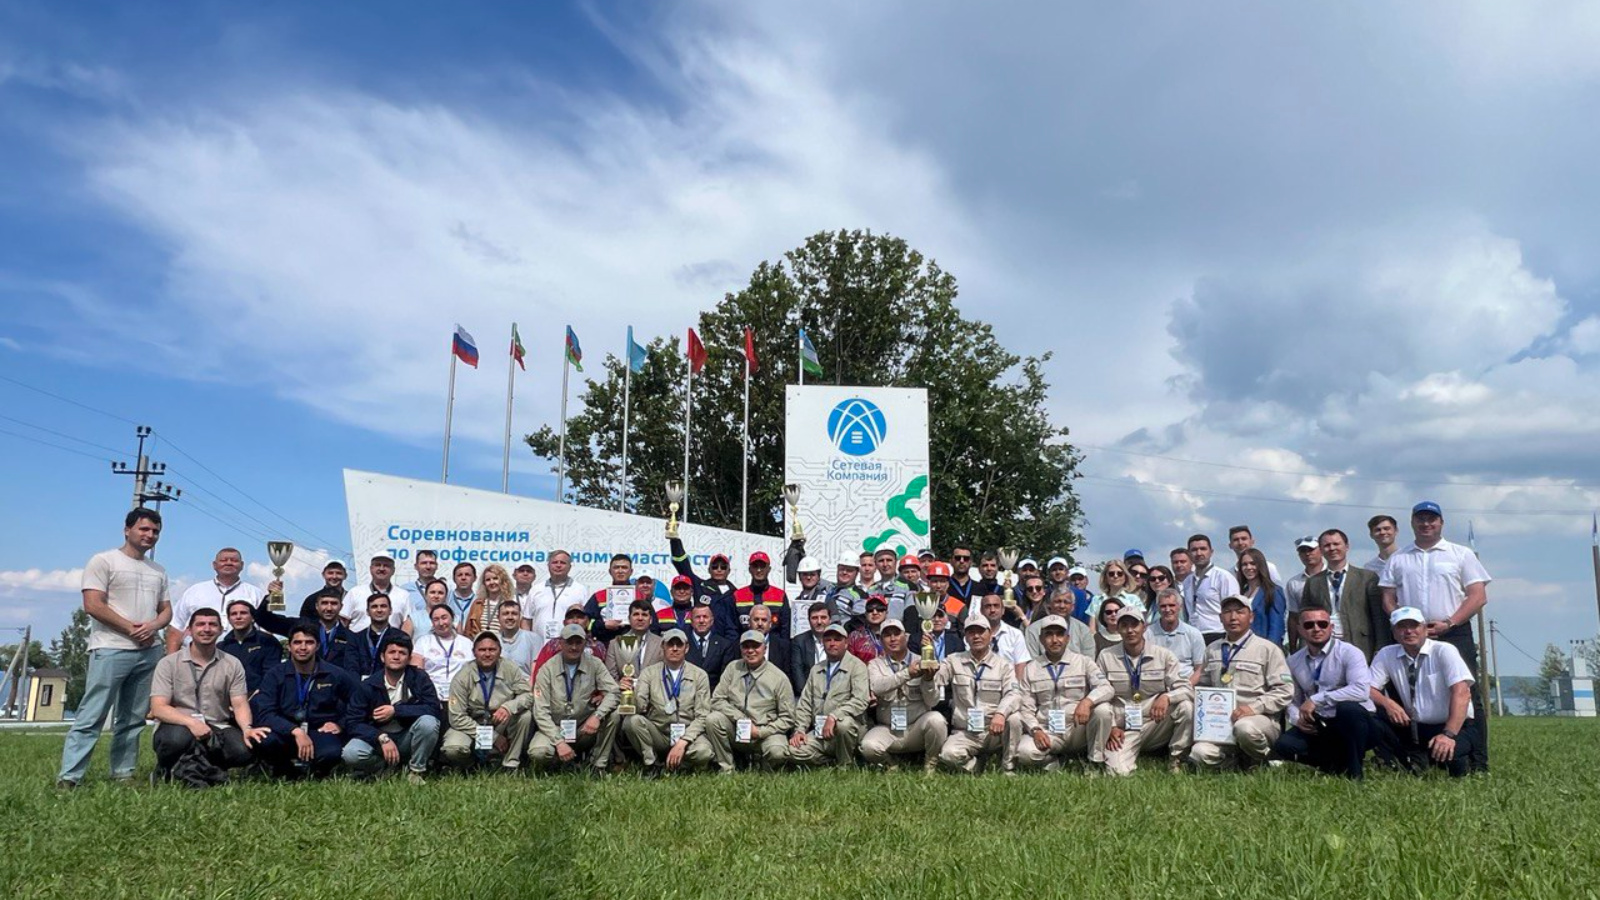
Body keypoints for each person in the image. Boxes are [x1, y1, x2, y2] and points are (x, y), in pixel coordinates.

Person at [58, 508, 172, 788]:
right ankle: (70, 777)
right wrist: (132, 629)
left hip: (148, 651)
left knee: (133, 719)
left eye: (155, 531)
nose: (150, 535)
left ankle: (123, 773)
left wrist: (154, 627)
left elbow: (166, 610)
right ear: (127, 530)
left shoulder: (157, 570)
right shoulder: (103, 560)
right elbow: (93, 604)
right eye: (144, 529)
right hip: (111, 648)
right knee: (92, 714)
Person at [1378, 501, 1491, 772]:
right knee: (1406, 695)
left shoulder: (1460, 554)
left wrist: (1450, 622)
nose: (1426, 524)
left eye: (1432, 519)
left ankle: (1478, 761)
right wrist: (1402, 622)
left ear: (1441, 523)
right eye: (1421, 519)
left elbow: (1478, 596)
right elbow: (1387, 598)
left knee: (1467, 694)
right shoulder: (1399, 557)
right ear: (1412, 523)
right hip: (1410, 632)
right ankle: (1412, 758)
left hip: (1453, 630)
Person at [148, 608, 267, 783]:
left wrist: (247, 728)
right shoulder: (168, 663)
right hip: (177, 725)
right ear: (189, 630)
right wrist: (192, 723)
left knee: (244, 750)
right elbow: (158, 708)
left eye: (212, 624)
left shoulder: (232, 664)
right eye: (200, 624)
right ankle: (167, 769)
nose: (206, 629)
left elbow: (240, 704)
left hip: (217, 725)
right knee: (177, 740)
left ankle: (193, 769)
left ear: (220, 630)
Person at [1368, 607, 1477, 777]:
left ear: (1425, 629)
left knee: (1450, 757)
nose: (1409, 631)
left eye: (1414, 625)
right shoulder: (1386, 654)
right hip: (1416, 727)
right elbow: (1367, 688)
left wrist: (1448, 734)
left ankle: (1464, 764)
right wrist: (1388, 704)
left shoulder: (1444, 651)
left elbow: (1462, 693)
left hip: (1454, 726)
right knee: (1371, 717)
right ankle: (1395, 763)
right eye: (1402, 627)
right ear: (1394, 633)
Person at [1189, 596, 1293, 772]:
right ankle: (1237, 762)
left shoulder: (1268, 649)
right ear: (1221, 617)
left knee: (1244, 728)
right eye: (1227, 612)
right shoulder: (1212, 649)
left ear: (1251, 617)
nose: (1233, 617)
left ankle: (1266, 759)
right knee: (1199, 754)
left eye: (1239, 612)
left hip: (1259, 721)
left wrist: (1254, 708)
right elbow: (1204, 687)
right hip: (1220, 723)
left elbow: (1285, 690)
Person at [1271, 606, 1376, 779]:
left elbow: (1361, 690)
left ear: (1331, 627)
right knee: (1285, 745)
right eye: (1309, 625)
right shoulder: (1293, 661)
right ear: (1299, 629)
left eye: (1322, 624)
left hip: (1358, 722)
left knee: (1348, 710)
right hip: (1320, 722)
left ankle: (1355, 773)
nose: (1316, 629)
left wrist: (1317, 699)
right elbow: (1291, 698)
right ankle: (1335, 765)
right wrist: (1297, 719)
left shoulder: (1350, 653)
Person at [1093, 607, 1194, 776]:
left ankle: (1178, 757)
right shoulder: (1106, 656)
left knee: (1186, 707)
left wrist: (1167, 697)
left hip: (1155, 722)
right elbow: (1100, 692)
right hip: (1124, 727)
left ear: (1144, 627)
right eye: (1124, 625)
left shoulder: (1164, 655)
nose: (1130, 630)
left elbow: (1187, 689)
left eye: (1135, 625)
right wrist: (1110, 727)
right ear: (1118, 629)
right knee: (1117, 773)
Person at [255, 623, 358, 778]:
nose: (303, 647)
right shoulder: (274, 675)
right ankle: (284, 769)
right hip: (285, 730)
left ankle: (315, 771)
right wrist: (294, 731)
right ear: (289, 646)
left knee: (331, 753)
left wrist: (341, 724)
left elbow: (359, 703)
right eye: (297, 642)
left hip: (319, 730)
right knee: (265, 741)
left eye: (309, 642)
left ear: (317, 646)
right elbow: (265, 712)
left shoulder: (335, 674)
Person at [1013, 615, 1109, 773]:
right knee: (1024, 753)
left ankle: (1095, 762)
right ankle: (1055, 761)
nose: (1055, 639)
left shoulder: (1084, 662)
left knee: (1103, 710)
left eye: (1059, 634)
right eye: (1049, 634)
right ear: (1041, 639)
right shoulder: (1031, 668)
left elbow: (1106, 687)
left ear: (1068, 638)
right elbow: (1025, 707)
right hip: (1048, 730)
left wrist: (1087, 702)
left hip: (1078, 728)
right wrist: (1035, 729)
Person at [342, 632, 442, 783]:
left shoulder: (420, 678)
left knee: (429, 722)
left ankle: (416, 771)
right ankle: (384, 768)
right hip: (378, 739)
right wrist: (380, 737)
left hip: (408, 737)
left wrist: (396, 711)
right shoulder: (368, 685)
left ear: (409, 659)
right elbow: (353, 722)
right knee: (351, 753)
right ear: (383, 657)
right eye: (392, 652)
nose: (396, 657)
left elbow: (434, 709)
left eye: (402, 653)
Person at [528, 624, 621, 774]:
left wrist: (597, 716)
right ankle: (557, 762)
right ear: (560, 643)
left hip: (584, 727)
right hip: (555, 727)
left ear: (585, 643)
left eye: (578, 642)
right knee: (539, 752)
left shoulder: (594, 663)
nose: (574, 647)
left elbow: (614, 692)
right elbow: (540, 712)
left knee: (614, 715)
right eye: (569, 642)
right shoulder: (547, 669)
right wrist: (558, 742)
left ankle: (597, 765)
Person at [623, 629, 715, 775]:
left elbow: (702, 716)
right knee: (631, 721)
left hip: (688, 733)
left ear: (687, 648)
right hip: (659, 732)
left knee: (704, 752)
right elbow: (639, 707)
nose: (674, 648)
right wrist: (630, 694)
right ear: (663, 647)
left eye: (679, 644)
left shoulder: (699, 675)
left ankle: (677, 764)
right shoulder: (649, 673)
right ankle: (651, 763)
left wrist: (683, 742)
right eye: (670, 644)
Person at [860, 619, 947, 772]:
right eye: (887, 635)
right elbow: (877, 687)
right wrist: (907, 674)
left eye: (896, 634)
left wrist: (927, 679)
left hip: (916, 729)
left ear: (906, 637)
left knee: (937, 720)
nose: (892, 639)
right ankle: (891, 765)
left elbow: (932, 701)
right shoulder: (875, 664)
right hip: (888, 729)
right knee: (868, 746)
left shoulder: (922, 661)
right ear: (881, 641)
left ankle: (930, 764)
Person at [936, 617, 1020, 773]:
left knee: (1014, 719)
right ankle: (976, 766)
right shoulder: (953, 661)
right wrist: (928, 668)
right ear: (966, 637)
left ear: (990, 635)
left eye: (981, 632)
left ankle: (1007, 767)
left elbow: (1013, 693)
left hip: (994, 730)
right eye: (971, 632)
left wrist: (1001, 714)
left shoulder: (1003, 665)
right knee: (948, 755)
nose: (976, 636)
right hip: (965, 731)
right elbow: (936, 680)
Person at [442, 632, 535, 771]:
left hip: (500, 720)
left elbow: (527, 695)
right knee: (453, 748)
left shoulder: (510, 668)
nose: (487, 654)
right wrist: (493, 737)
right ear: (474, 652)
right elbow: (456, 717)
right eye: (482, 650)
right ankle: (470, 764)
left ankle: (510, 764)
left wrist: (509, 707)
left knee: (525, 716)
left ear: (500, 651)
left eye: (492, 649)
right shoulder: (462, 676)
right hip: (472, 723)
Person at [705, 630, 796, 772]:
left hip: (766, 731)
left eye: (756, 646)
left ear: (764, 648)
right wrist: (740, 718)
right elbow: (717, 700)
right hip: (737, 727)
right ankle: (727, 768)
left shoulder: (779, 678)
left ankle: (765, 771)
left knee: (777, 752)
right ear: (740, 649)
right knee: (713, 719)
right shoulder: (732, 668)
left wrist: (761, 732)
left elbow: (788, 718)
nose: (751, 651)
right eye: (746, 647)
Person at [785, 623, 870, 767]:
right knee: (792, 751)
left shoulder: (857, 667)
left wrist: (835, 716)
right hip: (819, 731)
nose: (832, 643)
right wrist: (799, 730)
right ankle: (830, 762)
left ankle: (846, 765)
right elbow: (805, 704)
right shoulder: (816, 670)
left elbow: (861, 700)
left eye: (837, 639)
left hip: (848, 730)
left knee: (844, 725)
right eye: (828, 640)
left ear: (846, 642)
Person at [1301, 529, 1388, 660]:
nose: (1332, 548)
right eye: (1327, 545)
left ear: (1347, 547)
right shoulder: (1313, 582)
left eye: (1336, 544)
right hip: (1324, 647)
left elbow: (1379, 618)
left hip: (1361, 645)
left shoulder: (1367, 578)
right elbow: (1305, 619)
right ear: (1321, 550)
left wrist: (1381, 648)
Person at [168, 547, 263, 651]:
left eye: (234, 560)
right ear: (214, 565)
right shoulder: (195, 591)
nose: (229, 563)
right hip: (196, 657)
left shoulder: (255, 594)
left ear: (242, 565)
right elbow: (176, 629)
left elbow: (266, 630)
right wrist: (171, 662)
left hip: (244, 656)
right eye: (223, 560)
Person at [218, 598, 283, 694]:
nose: (238, 617)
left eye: (243, 613)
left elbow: (271, 675)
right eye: (234, 614)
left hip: (261, 699)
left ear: (253, 618)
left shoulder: (267, 642)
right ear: (229, 619)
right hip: (228, 700)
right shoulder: (221, 647)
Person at [1183, 534, 1240, 644]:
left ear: (1211, 552)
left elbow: (1234, 609)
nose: (1199, 553)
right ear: (1189, 554)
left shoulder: (1223, 577)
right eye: (1194, 550)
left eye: (1203, 549)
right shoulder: (1187, 581)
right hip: (1194, 635)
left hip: (1218, 633)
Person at [413, 604, 475, 704]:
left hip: (461, 695)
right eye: (436, 619)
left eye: (444, 618)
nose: (441, 623)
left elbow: (473, 672)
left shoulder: (467, 643)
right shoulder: (423, 642)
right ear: (432, 623)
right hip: (431, 694)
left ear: (453, 619)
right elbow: (417, 672)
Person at [1023, 576, 1095, 660]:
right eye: (1057, 601)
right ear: (1049, 605)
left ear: (1073, 607)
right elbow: (1032, 662)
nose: (1062, 606)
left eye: (1066, 602)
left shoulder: (1083, 630)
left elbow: (1089, 661)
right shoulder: (1033, 630)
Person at [525, 550, 588, 642]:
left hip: (568, 646)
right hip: (539, 647)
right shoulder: (536, 589)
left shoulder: (580, 590)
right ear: (548, 565)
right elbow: (527, 619)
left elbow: (586, 620)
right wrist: (528, 643)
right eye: (555, 562)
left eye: (562, 563)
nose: (558, 565)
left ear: (570, 567)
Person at [1145, 588, 1206, 683]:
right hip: (1156, 684)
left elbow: (1200, 668)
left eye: (1172, 605)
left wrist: (1186, 688)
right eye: (1163, 606)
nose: (1167, 609)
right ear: (1157, 608)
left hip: (1186, 683)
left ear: (1180, 607)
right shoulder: (1147, 633)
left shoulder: (1194, 634)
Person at [534, 603, 609, 674]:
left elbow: (605, 675)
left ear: (587, 622)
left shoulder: (597, 646)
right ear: (564, 622)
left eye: (580, 617)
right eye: (570, 617)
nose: (575, 621)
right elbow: (539, 672)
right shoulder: (552, 645)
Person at [732, 551, 792, 639]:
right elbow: (733, 628)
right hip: (746, 647)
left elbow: (785, 628)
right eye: (755, 566)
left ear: (769, 569)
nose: (759, 570)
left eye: (762, 566)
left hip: (773, 647)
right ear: (749, 569)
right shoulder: (738, 595)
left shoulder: (780, 595)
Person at [307, 588, 367, 676]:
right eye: (324, 603)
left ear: (341, 607)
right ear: (317, 606)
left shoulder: (352, 638)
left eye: (334, 603)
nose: (329, 608)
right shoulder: (305, 631)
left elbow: (353, 670)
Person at [606, 599, 665, 687]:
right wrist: (619, 684)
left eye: (644, 615)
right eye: (636, 614)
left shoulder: (662, 644)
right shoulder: (615, 644)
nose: (640, 618)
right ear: (629, 619)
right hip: (624, 695)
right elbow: (610, 678)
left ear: (651, 620)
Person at [344, 555, 410, 633]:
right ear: (371, 569)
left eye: (386, 566)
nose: (381, 569)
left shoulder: (404, 595)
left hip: (391, 643)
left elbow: (407, 624)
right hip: (358, 643)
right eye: (377, 565)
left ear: (393, 570)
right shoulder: (355, 592)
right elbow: (343, 621)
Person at [971, 593, 1030, 680]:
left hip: (1009, 685)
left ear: (1003, 610)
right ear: (981, 611)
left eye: (996, 606)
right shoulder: (973, 636)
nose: (992, 610)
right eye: (988, 606)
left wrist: (1016, 690)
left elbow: (1020, 665)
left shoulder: (1015, 634)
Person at [668, 534, 737, 607]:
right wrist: (675, 540)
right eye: (715, 567)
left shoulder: (736, 592)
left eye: (723, 567)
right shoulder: (700, 585)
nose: (719, 570)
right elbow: (682, 565)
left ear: (729, 571)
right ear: (709, 570)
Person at [1236, 548, 1287, 646]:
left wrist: (1269, 650)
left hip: (1264, 648)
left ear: (1260, 565)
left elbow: (1276, 627)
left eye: (1252, 563)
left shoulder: (1273, 591)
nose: (1249, 567)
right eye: (1244, 564)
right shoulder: (1240, 593)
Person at [584, 554, 639, 644]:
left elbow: (652, 625)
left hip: (635, 645)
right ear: (610, 571)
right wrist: (604, 625)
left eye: (624, 567)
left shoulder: (640, 596)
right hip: (606, 644)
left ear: (631, 571)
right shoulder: (599, 596)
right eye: (616, 567)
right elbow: (586, 623)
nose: (620, 571)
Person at [1282, 536, 1325, 647]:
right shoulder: (1294, 583)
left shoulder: (1333, 576)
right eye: (1303, 551)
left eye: (1311, 550)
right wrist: (1292, 646)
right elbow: (1293, 616)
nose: (1307, 554)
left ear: (1321, 550)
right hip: (1307, 638)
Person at [685, 600, 734, 687]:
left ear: (711, 621)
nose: (701, 621)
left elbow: (725, 678)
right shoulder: (683, 643)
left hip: (713, 695)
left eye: (705, 617)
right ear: (691, 621)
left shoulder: (724, 645)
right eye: (697, 617)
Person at [351, 593, 403, 675]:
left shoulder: (401, 637)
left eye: (383, 606)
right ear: (368, 612)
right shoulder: (356, 638)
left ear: (390, 611)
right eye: (374, 607)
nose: (379, 610)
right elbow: (351, 667)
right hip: (360, 685)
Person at [463, 563, 515, 640]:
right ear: (484, 583)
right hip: (480, 646)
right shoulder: (477, 604)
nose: (492, 582)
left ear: (503, 581)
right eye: (488, 580)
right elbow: (468, 631)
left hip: (503, 647)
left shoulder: (511, 604)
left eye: (495, 578)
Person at [789, 602, 832, 694]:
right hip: (808, 694)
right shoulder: (799, 641)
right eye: (814, 618)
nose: (819, 622)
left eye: (823, 617)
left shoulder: (838, 640)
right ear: (809, 620)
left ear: (830, 620)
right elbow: (797, 671)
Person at [495, 599, 539, 678]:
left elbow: (535, 672)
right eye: (505, 614)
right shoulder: (493, 641)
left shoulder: (533, 639)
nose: (510, 617)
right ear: (498, 617)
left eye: (514, 614)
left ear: (520, 616)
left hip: (524, 686)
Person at [789, 556, 831, 638]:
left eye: (812, 574)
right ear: (799, 577)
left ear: (818, 576)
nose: (808, 578)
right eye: (805, 574)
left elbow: (835, 624)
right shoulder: (797, 601)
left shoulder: (827, 599)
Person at [401, 549, 440, 630]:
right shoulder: (405, 590)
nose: (428, 566)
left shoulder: (445, 590)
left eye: (432, 563)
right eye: (424, 563)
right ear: (416, 566)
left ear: (437, 566)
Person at [829, 553, 868, 627]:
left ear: (857, 572)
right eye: (842, 569)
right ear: (837, 569)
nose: (844, 572)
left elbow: (859, 621)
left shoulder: (860, 595)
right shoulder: (829, 588)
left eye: (849, 570)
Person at [445, 562, 479, 629]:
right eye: (459, 575)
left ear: (475, 578)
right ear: (454, 579)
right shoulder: (446, 598)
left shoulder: (479, 601)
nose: (463, 578)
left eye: (467, 575)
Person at [947, 544, 979, 609]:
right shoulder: (944, 588)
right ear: (951, 561)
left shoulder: (980, 588)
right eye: (957, 558)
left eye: (966, 558)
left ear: (971, 562)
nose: (962, 561)